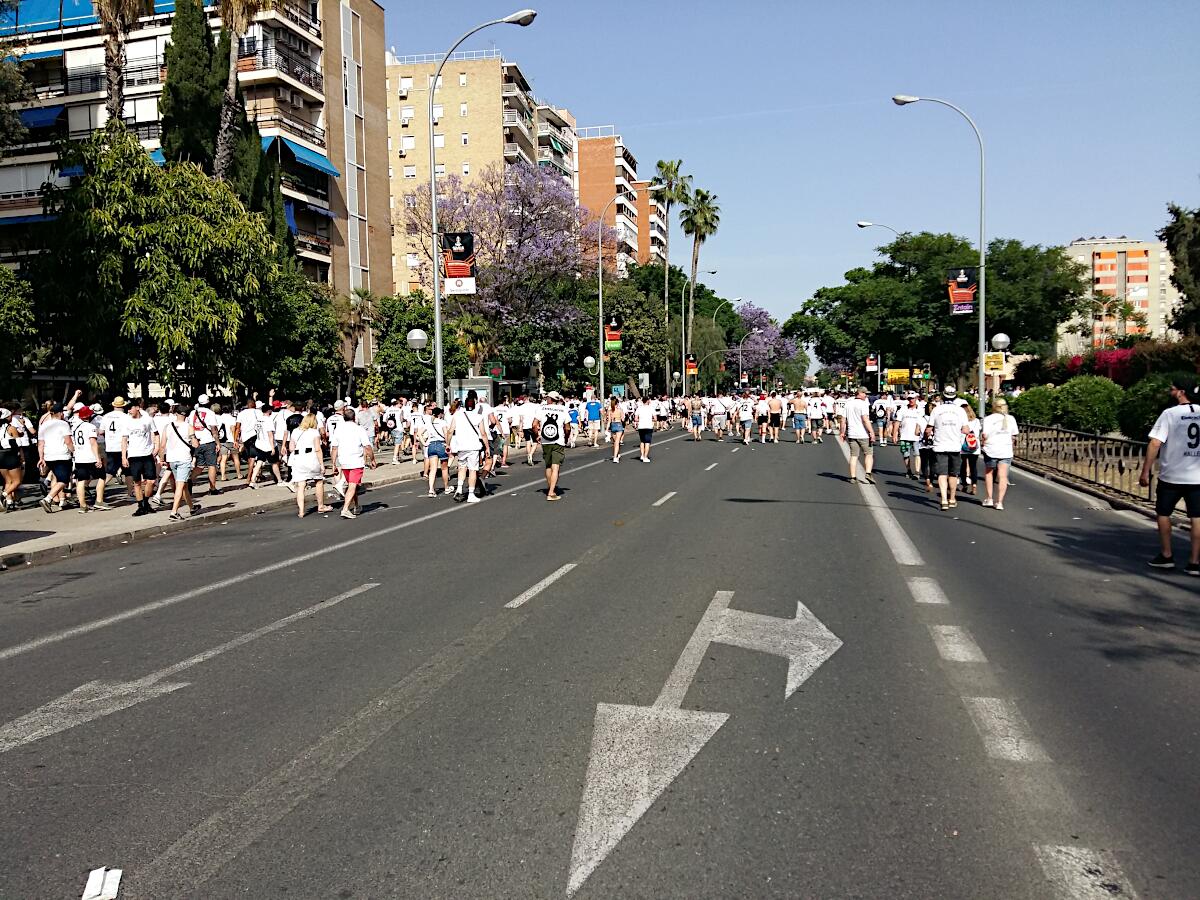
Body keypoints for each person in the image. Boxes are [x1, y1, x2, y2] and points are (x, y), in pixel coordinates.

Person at [1140, 375, 1200, 574]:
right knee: (1197, 517)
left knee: (1164, 513)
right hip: (1197, 476)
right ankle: (1194, 561)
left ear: (1181, 392)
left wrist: (1146, 470)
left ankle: (1166, 555)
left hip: (1172, 475)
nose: (1170, 391)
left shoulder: (1170, 414)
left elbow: (1155, 443)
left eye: (1172, 388)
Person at [928, 386, 970, 511]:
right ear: (955, 397)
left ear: (942, 396)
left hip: (940, 445)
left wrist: (929, 434)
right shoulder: (960, 411)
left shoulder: (937, 410)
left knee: (942, 473)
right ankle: (952, 498)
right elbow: (966, 429)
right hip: (955, 446)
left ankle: (944, 500)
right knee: (953, 474)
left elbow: (929, 428)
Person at [329, 407, 376, 519]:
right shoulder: (359, 429)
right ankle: (345, 509)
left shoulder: (339, 429)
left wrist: (333, 463)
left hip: (343, 460)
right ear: (354, 418)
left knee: (352, 484)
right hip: (356, 461)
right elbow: (367, 446)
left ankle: (356, 505)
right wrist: (372, 459)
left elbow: (334, 448)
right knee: (352, 485)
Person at [447, 389, 488, 504]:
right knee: (473, 470)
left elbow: (450, 431)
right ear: (475, 405)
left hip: (461, 446)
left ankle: (459, 489)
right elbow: (483, 434)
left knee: (462, 468)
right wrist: (487, 447)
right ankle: (470, 494)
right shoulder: (478, 417)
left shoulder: (457, 415)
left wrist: (447, 444)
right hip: (473, 447)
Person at [120, 400, 159, 516]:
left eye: (130, 408)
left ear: (137, 408)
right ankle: (140, 505)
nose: (129, 411)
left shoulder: (148, 419)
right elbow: (124, 440)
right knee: (137, 482)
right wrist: (123, 456)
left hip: (147, 454)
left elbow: (156, 433)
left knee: (151, 481)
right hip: (134, 454)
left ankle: (146, 502)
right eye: (127, 409)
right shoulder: (127, 422)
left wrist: (156, 448)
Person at [161, 403, 200, 520]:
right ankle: (174, 512)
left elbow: (162, 445)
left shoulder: (168, 426)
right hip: (184, 458)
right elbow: (195, 444)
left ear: (176, 413)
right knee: (180, 485)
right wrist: (195, 441)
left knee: (183, 485)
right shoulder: (189, 427)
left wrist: (162, 459)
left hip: (172, 459)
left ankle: (192, 507)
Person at [289, 413, 331, 517]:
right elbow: (317, 449)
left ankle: (301, 511)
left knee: (301, 485)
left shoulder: (295, 431)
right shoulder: (314, 432)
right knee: (319, 481)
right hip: (311, 457)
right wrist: (322, 464)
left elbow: (291, 448)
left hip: (298, 459)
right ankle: (321, 506)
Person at [981, 397, 1019, 509]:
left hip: (991, 449)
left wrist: (983, 443)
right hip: (1005, 450)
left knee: (989, 473)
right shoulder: (1011, 419)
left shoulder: (988, 419)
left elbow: (984, 435)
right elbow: (1014, 435)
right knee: (1003, 476)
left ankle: (989, 498)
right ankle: (1000, 502)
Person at [71, 405, 109, 513]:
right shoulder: (90, 427)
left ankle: (83, 505)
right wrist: (98, 458)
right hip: (90, 457)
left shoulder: (75, 427)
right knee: (102, 476)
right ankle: (99, 500)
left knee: (81, 481)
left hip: (79, 457)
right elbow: (93, 443)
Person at [535, 390, 570, 501]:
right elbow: (567, 427)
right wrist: (566, 438)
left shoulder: (542, 408)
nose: (546, 400)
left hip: (546, 439)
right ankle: (551, 492)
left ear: (550, 399)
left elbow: (534, 424)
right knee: (556, 466)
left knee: (548, 465)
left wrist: (537, 435)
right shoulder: (563, 409)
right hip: (558, 440)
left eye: (547, 398)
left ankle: (551, 488)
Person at [841, 386, 875, 484]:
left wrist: (842, 432)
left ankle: (853, 477)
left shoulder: (848, 404)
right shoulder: (863, 404)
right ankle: (868, 473)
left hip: (852, 433)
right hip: (863, 433)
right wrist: (871, 432)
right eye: (865, 393)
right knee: (868, 454)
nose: (866, 395)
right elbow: (865, 419)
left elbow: (843, 420)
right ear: (860, 393)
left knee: (854, 456)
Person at [190, 393, 221, 496]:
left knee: (200, 465)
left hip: (196, 442)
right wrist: (218, 443)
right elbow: (214, 430)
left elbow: (190, 427)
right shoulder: (210, 413)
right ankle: (212, 488)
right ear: (208, 403)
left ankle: (189, 481)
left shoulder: (192, 413)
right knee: (212, 465)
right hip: (208, 442)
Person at [895, 393, 927, 481]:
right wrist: (895, 434)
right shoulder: (903, 409)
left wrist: (919, 430)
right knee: (906, 454)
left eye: (913, 399)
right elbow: (898, 421)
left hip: (916, 437)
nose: (911, 400)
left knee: (917, 454)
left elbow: (922, 421)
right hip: (904, 436)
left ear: (916, 398)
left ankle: (917, 472)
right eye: (909, 399)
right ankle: (908, 470)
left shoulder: (920, 410)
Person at [423, 407, 450, 497]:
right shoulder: (442, 422)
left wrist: (424, 443)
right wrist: (448, 444)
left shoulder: (429, 423)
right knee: (444, 468)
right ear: (440, 414)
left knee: (433, 469)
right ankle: (446, 488)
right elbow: (446, 433)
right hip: (441, 444)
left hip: (431, 445)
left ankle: (431, 490)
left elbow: (420, 432)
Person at [0, 409, 22, 511]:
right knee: (17, 481)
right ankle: (4, 494)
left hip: (0, 455)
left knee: (8, 481)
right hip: (10, 455)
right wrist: (22, 457)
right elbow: (18, 444)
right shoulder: (11, 428)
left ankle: (9, 503)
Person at [959, 404, 982, 496]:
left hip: (963, 446)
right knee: (973, 467)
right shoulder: (977, 421)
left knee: (963, 466)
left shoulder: (962, 421)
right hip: (974, 447)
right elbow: (978, 432)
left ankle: (964, 485)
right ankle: (974, 486)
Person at [636, 395, 656, 462]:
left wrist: (640, 420)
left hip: (641, 426)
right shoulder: (651, 408)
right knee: (647, 442)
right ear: (647, 401)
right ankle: (645, 456)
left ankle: (642, 455)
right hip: (648, 426)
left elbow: (636, 419)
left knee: (642, 441)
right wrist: (651, 419)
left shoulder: (639, 408)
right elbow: (655, 418)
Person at [605, 397, 625, 462]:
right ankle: (615, 457)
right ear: (617, 404)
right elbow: (623, 419)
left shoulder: (610, 411)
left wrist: (607, 429)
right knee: (617, 442)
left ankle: (617, 454)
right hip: (619, 425)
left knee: (615, 442)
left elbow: (609, 421)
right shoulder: (620, 410)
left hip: (613, 425)